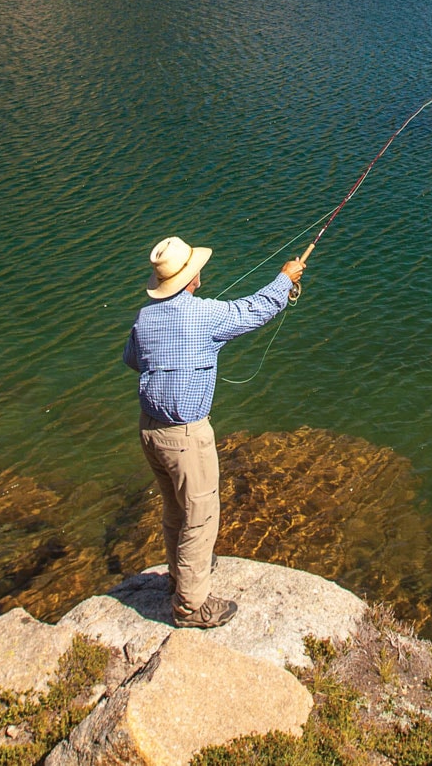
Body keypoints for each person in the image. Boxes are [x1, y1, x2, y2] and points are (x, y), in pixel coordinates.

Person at [123, 235, 305, 628]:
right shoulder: (202, 315)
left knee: (174, 508)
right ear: (192, 277)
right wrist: (285, 278)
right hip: (185, 437)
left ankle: (179, 576)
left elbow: (132, 360)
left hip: (149, 431)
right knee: (200, 517)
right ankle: (191, 606)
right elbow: (253, 311)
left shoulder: (144, 318)